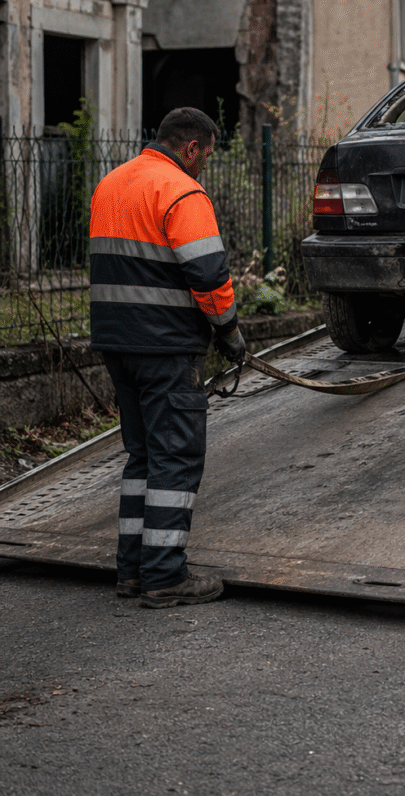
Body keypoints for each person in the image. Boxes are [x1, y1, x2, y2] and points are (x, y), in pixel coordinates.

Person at [89, 107, 245, 609]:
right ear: (192, 148)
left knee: (143, 457)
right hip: (165, 346)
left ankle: (132, 571)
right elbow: (207, 273)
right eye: (206, 156)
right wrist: (230, 333)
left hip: (117, 343)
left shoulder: (110, 184)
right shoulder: (180, 190)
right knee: (175, 459)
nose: (203, 167)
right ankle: (164, 577)